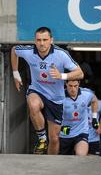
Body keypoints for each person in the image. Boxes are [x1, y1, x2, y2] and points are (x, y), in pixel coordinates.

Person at [11, 27, 84, 155]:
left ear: (51, 40)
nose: (42, 43)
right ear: (35, 41)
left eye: (45, 39)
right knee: (33, 104)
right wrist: (16, 73)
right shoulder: (28, 52)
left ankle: (50, 164)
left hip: (56, 98)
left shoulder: (61, 54)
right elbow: (13, 51)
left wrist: (61, 76)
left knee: (55, 139)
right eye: (39, 40)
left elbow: (80, 73)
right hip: (37, 90)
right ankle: (41, 139)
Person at [59, 80, 98, 155]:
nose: (73, 89)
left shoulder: (87, 94)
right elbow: (52, 116)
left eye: (75, 86)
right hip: (64, 134)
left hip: (81, 132)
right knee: (63, 162)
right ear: (65, 84)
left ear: (79, 84)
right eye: (70, 86)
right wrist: (61, 127)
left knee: (81, 156)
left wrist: (94, 118)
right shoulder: (59, 97)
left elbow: (95, 101)